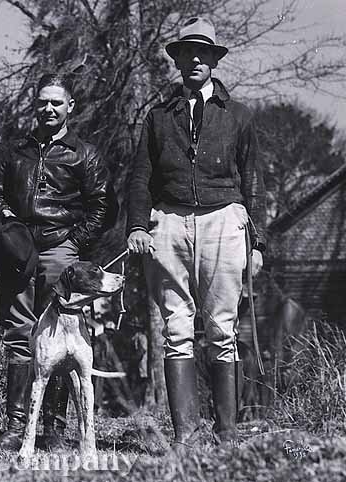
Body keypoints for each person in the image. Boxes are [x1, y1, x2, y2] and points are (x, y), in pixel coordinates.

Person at [126, 17, 266, 448]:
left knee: (223, 328)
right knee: (177, 328)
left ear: (214, 60)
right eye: (188, 52)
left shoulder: (238, 116)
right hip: (168, 224)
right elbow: (140, 177)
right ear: (178, 59)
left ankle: (226, 436)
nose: (195, 59)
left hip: (224, 220)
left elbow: (254, 179)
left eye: (203, 52)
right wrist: (136, 226)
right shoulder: (158, 117)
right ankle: (185, 437)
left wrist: (257, 243)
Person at [0, 73, 109, 450]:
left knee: (60, 338)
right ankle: (17, 427)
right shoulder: (15, 151)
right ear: (34, 106)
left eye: (57, 102)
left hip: (61, 251)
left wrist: (75, 241)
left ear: (70, 107)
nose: (49, 108)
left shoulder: (84, 153)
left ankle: (53, 429)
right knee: (20, 333)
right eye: (42, 102)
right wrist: (4, 216)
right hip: (17, 251)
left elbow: (102, 206)